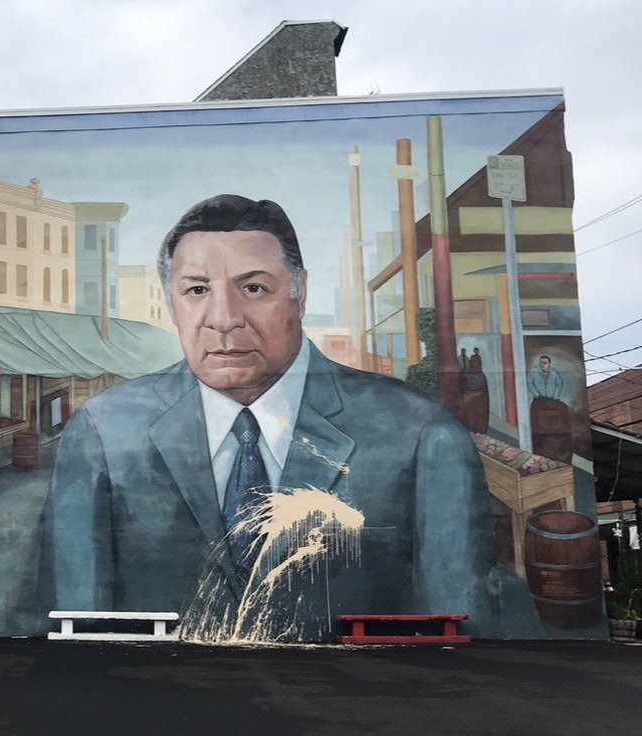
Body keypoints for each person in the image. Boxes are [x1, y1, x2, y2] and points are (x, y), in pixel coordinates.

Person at [41, 194, 496, 641]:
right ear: (172, 303)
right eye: (197, 290)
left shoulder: (420, 434)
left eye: (254, 288)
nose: (223, 319)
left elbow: (455, 638)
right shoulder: (104, 429)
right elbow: (76, 629)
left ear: (300, 293)